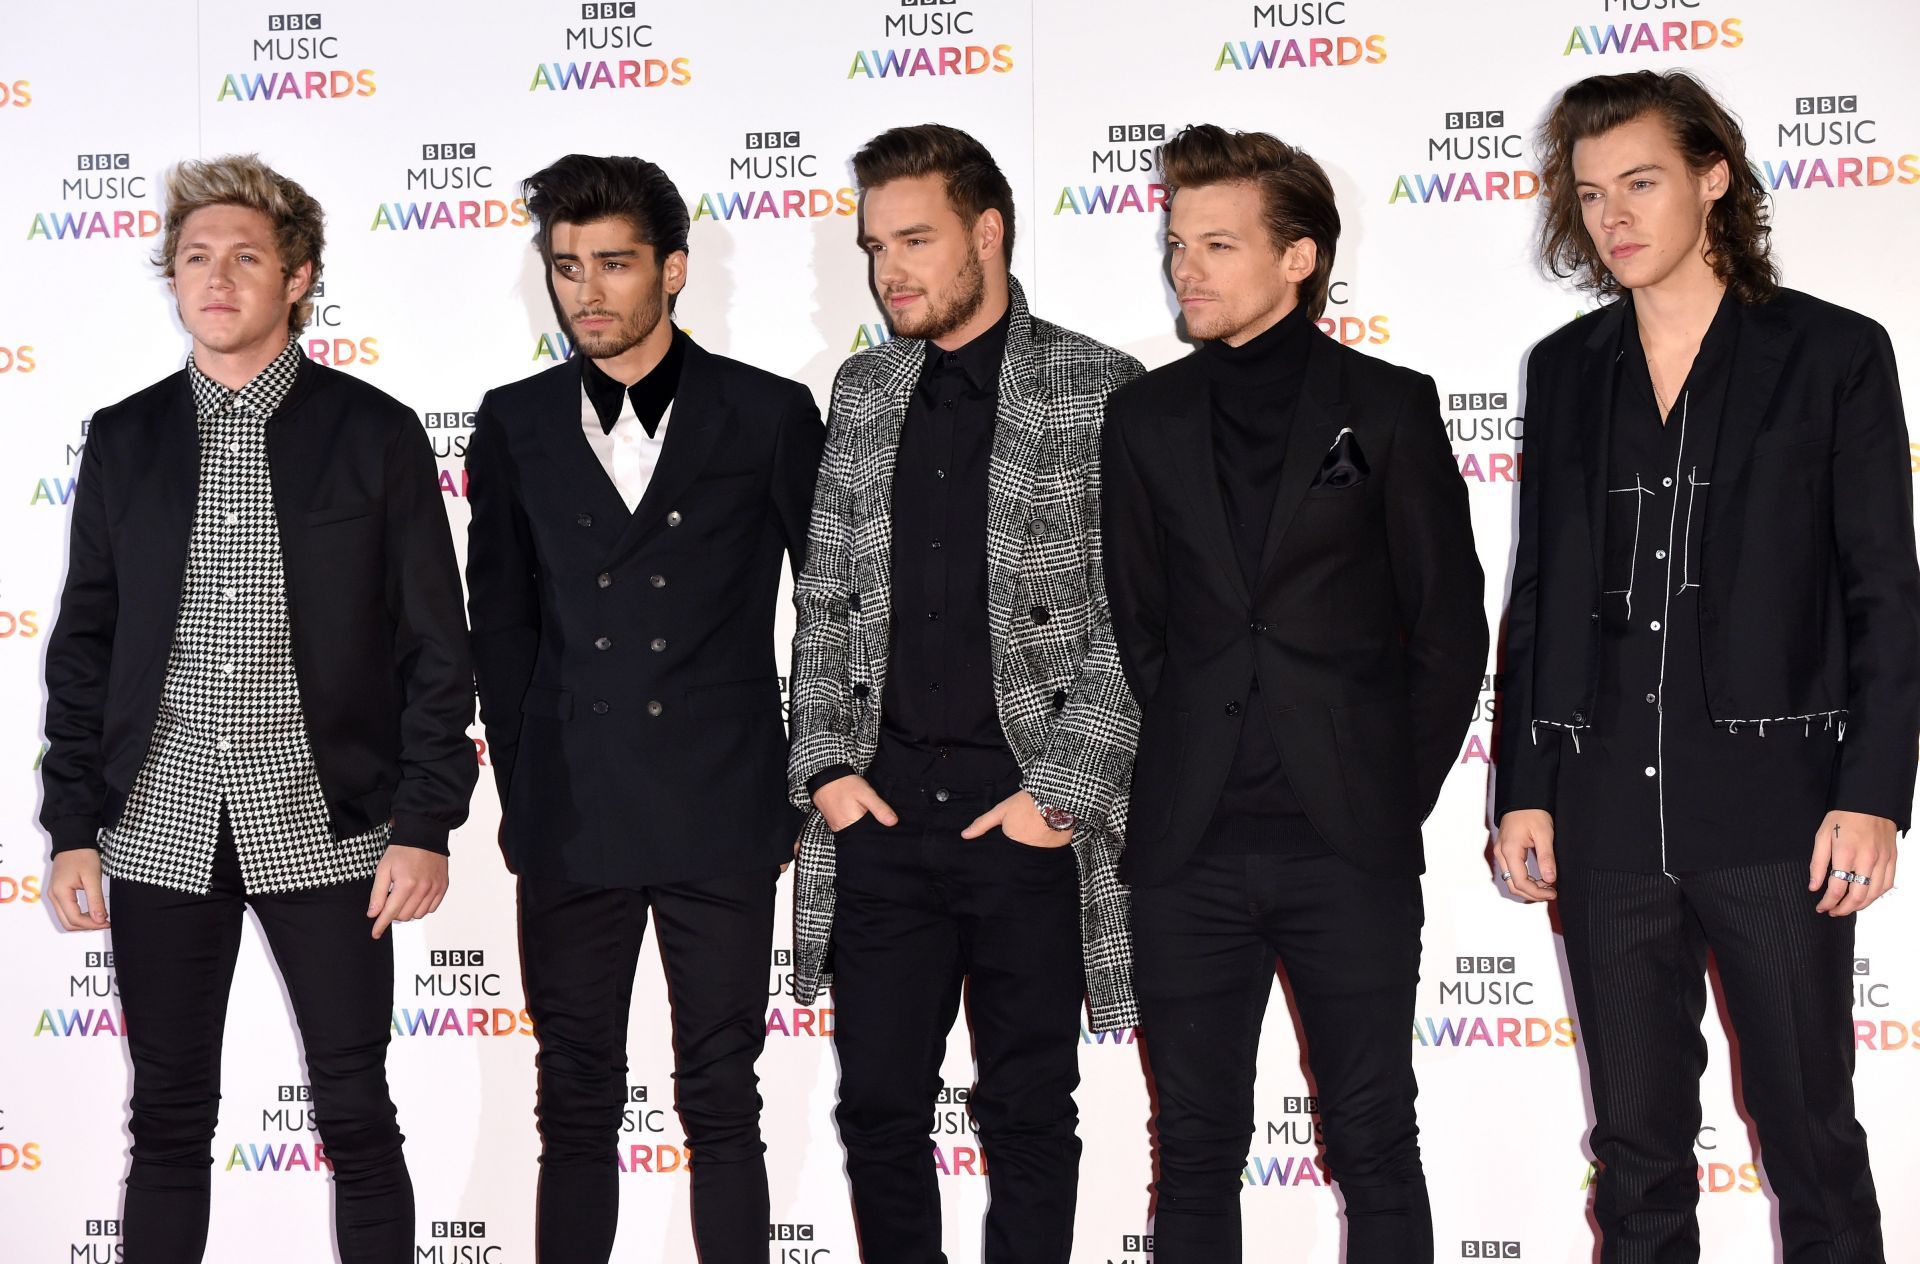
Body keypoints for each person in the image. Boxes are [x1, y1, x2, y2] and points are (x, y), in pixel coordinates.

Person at [1495, 70, 1917, 1263]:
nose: (1612, 216)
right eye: (1589, 194)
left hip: (1779, 809)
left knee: (1810, 1139)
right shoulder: (1568, 368)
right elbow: (1540, 590)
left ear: (1713, 178)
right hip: (1603, 816)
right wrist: (1524, 782)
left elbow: (1884, 588)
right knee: (1634, 1156)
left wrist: (1874, 790)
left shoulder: (1832, 354)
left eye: (1640, 182)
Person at [40, 154, 475, 1264]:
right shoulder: (128, 438)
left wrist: (426, 821)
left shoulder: (373, 433)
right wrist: (74, 826)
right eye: (194, 258)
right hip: (156, 826)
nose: (216, 277)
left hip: (330, 829)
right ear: (172, 281)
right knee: (168, 1125)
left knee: (357, 1115)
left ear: (298, 278)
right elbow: (83, 647)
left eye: (245, 257)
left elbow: (436, 646)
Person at [1101, 124, 1487, 1263]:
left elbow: (1449, 628)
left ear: (1300, 258)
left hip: (1345, 848)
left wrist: (1382, 795)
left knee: (1374, 1140)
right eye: (1179, 244)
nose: (1188, 269)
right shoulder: (1145, 418)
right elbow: (1143, 629)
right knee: (1196, 1147)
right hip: (1188, 849)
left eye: (1218, 245)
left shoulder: (1391, 406)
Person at [785, 123, 1142, 1263]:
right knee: (878, 1113)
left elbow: (1139, 624)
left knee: (1030, 1111)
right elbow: (827, 594)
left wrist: (1062, 795)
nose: (891, 270)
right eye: (876, 245)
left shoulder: (1098, 385)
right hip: (880, 821)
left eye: (917, 240)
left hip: (1025, 819)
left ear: (987, 234)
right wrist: (829, 769)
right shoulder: (864, 387)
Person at [464, 152, 823, 1263]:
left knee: (721, 1094)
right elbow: (502, 628)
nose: (587, 292)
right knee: (571, 1096)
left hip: (720, 803)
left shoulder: (767, 413)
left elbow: (835, 606)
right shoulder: (514, 421)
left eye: (613, 264)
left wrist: (803, 771)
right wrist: (526, 784)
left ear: (672, 271)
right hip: (573, 806)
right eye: (566, 266)